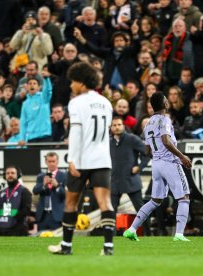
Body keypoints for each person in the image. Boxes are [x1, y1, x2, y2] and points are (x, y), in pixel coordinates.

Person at [48, 62, 115, 256]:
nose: (71, 86)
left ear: (82, 82)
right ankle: (108, 247)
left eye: (73, 81)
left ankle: (66, 246)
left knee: (71, 203)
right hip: (102, 159)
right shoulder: (106, 102)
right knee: (106, 203)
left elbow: (75, 134)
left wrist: (72, 160)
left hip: (83, 159)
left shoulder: (76, 102)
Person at [123, 92, 192, 242]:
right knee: (184, 197)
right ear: (165, 104)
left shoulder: (148, 123)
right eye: (166, 100)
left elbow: (147, 150)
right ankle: (179, 234)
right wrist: (182, 156)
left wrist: (157, 152)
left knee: (155, 200)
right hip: (170, 162)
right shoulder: (165, 120)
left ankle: (132, 229)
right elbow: (166, 141)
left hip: (156, 164)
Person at [110, 116, 148, 214]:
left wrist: (139, 167)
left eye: (119, 124)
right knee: (111, 211)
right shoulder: (109, 142)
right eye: (114, 125)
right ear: (111, 127)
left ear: (123, 126)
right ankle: (111, 230)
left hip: (130, 180)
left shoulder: (132, 139)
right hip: (114, 182)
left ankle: (147, 230)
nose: (117, 127)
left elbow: (147, 154)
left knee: (140, 210)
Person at [33, 152, 66, 231]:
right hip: (42, 216)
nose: (51, 164)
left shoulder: (64, 176)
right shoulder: (41, 176)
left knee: (56, 240)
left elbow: (67, 195)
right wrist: (43, 185)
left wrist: (57, 186)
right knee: (41, 240)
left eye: (53, 161)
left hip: (56, 216)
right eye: (49, 161)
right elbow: (35, 191)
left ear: (57, 162)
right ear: (46, 162)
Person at [0, 165, 32, 236]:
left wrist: (14, 220)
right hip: (1, 227)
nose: (10, 175)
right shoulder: (2, 192)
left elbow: (26, 209)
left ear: (18, 175)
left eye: (12, 173)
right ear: (4, 176)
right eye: (7, 173)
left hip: (18, 228)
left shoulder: (24, 191)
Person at [18, 75, 52, 144]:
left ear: (39, 87)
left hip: (45, 136)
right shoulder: (25, 104)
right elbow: (23, 122)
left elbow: (48, 91)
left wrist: (46, 79)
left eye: (34, 83)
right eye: (30, 84)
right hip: (31, 138)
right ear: (27, 87)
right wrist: (22, 138)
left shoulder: (44, 98)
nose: (32, 85)